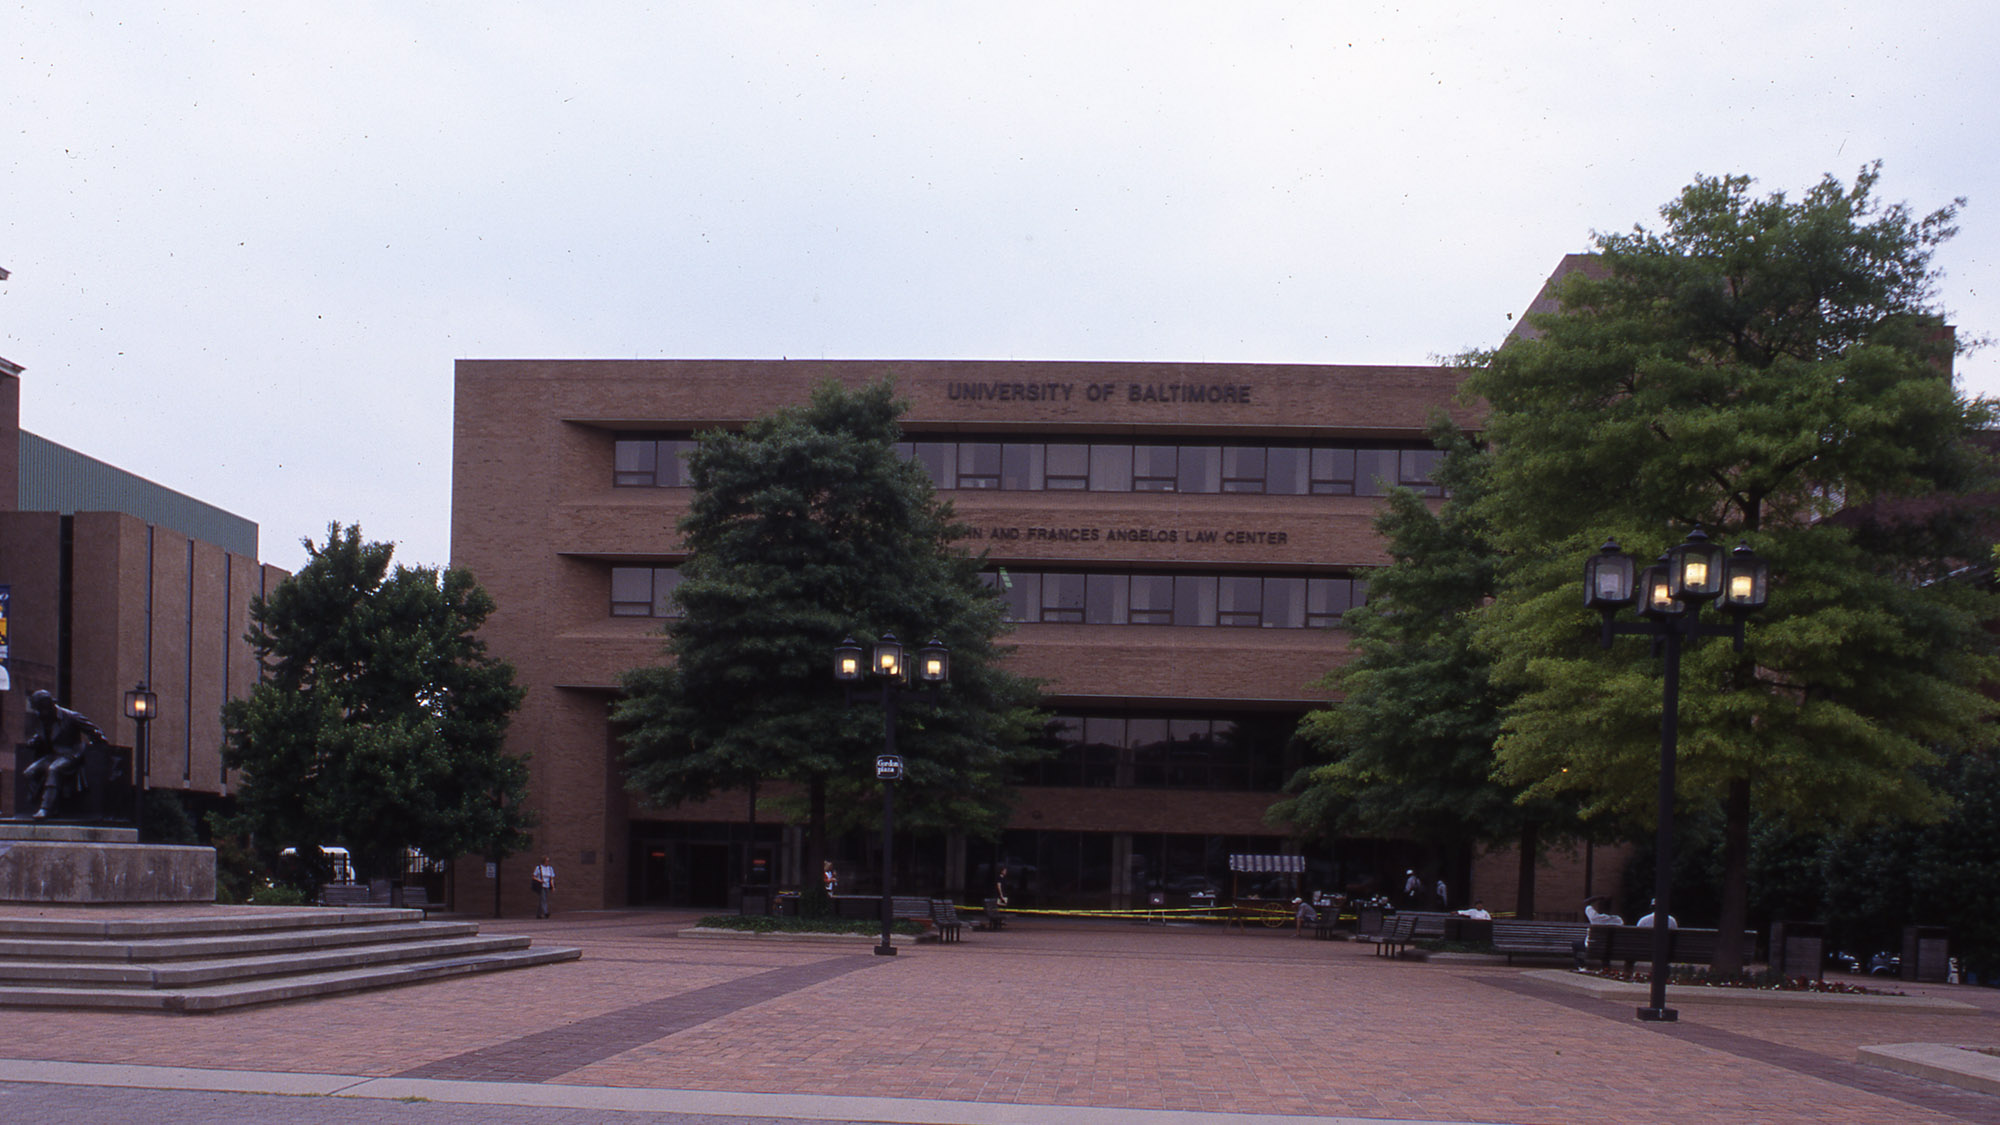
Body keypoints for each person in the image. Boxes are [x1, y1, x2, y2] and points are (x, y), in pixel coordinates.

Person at [23, 690, 105, 820]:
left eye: (40, 709)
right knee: (30, 772)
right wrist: (35, 740)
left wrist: (98, 743)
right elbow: (43, 734)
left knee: (53, 769)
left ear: (48, 706)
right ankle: (40, 803)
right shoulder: (43, 719)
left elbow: (93, 730)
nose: (39, 713)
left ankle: (46, 808)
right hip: (53, 755)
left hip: (70, 754)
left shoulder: (71, 716)